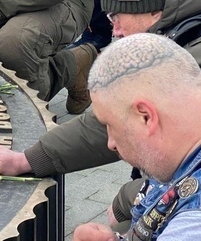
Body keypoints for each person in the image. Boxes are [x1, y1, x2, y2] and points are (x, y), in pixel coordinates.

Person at [0, 0, 199, 225]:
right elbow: (114, 121)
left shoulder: (188, 61)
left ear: (155, 11)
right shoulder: (179, 38)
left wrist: (131, 198)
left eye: (118, 17)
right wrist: (27, 160)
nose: (115, 31)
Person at [73, 34, 201, 241]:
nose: (111, 143)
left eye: (110, 125)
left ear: (146, 116)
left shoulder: (192, 224)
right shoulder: (180, 159)